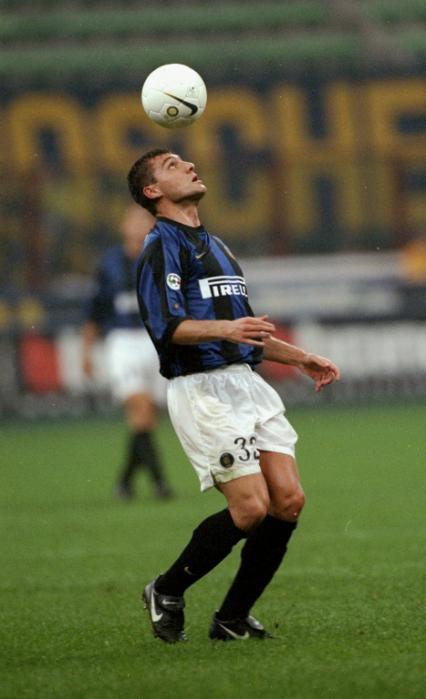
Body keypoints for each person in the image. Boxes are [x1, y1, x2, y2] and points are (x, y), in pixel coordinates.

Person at [127, 148, 340, 642]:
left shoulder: (219, 246)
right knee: (250, 509)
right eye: (172, 165)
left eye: (186, 160)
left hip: (246, 384)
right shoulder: (161, 246)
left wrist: (301, 358)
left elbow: (247, 331)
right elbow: (166, 326)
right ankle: (166, 588)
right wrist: (227, 326)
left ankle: (231, 617)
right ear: (152, 192)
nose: (188, 165)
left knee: (287, 501)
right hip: (202, 390)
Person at [81, 204, 174, 500]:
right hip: (122, 342)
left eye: (145, 220)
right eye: (134, 220)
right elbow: (95, 311)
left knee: (146, 418)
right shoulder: (108, 264)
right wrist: (86, 351)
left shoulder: (163, 259)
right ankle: (160, 483)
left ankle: (124, 481)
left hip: (155, 340)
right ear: (123, 226)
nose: (139, 226)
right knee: (141, 407)